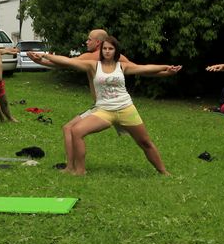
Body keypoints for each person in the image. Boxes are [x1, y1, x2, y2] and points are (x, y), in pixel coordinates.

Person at [27, 37, 180, 175]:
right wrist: (44, 55)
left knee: (145, 142)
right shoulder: (93, 65)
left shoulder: (122, 67)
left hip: (126, 108)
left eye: (110, 49)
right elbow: (68, 61)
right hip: (104, 111)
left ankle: (163, 171)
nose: (107, 51)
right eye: (105, 48)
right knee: (76, 130)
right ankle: (80, 170)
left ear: (115, 51)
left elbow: (145, 68)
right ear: (101, 50)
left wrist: (166, 67)